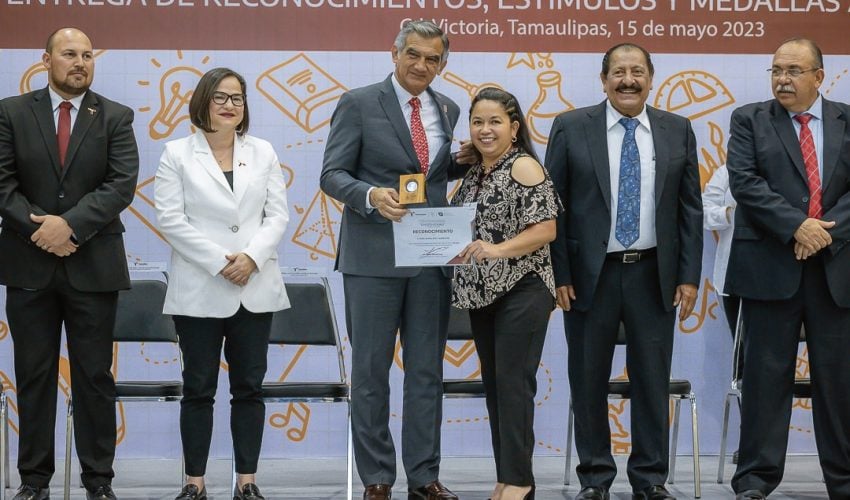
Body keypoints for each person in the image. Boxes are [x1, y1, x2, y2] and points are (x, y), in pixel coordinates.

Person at [320, 19, 471, 500]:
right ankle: (377, 478)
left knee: (427, 371)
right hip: (373, 259)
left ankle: (424, 477)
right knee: (370, 372)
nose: (422, 65)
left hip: (431, 258)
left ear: (442, 64)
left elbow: (431, 174)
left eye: (433, 59)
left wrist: (460, 161)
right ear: (395, 52)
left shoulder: (448, 106)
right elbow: (332, 174)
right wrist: (369, 195)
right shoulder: (358, 102)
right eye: (415, 55)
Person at [545, 43, 702, 500]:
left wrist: (688, 276)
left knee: (652, 379)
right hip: (588, 276)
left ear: (651, 78)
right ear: (603, 79)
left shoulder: (678, 129)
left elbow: (689, 210)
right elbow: (554, 208)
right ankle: (594, 479)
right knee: (588, 379)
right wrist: (560, 273)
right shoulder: (571, 127)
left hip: (654, 273)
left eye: (637, 71)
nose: (627, 80)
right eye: (618, 72)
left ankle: (650, 479)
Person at [0, 27, 139, 500]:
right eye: (69, 54)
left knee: (94, 378)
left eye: (86, 55)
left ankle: (99, 481)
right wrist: (43, 231)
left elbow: (120, 185)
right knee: (34, 376)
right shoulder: (11, 113)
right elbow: (3, 185)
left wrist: (70, 227)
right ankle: (34, 481)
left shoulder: (116, 116)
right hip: (28, 264)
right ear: (46, 60)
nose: (80, 62)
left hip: (93, 265)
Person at [154, 67, 289, 500]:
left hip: (255, 286)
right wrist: (220, 262)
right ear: (202, 103)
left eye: (238, 97)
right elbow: (171, 220)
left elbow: (278, 216)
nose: (231, 105)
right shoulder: (175, 153)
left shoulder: (264, 151)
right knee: (198, 389)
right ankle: (194, 483)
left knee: (249, 388)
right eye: (221, 97)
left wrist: (250, 257)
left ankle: (246, 482)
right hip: (199, 288)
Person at [726, 38, 850, 500]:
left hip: (835, 271)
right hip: (768, 270)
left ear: (820, 76)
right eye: (777, 69)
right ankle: (756, 481)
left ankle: (843, 480)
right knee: (764, 380)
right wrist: (797, 226)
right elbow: (746, 182)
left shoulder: (847, 119)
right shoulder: (749, 120)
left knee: (839, 382)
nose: (782, 78)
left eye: (794, 70)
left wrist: (823, 233)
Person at [451, 87, 561, 500]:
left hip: (523, 289)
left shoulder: (525, 167)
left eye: (495, 121)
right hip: (482, 295)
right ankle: (508, 477)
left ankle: (519, 482)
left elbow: (546, 229)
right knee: (498, 387)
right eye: (478, 121)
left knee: (514, 384)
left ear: (514, 128)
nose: (485, 129)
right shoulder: (475, 172)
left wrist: (496, 250)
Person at [702, 164, 740, 338]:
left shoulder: (783, 168)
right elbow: (704, 211)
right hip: (734, 275)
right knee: (742, 349)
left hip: (778, 277)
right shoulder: (727, 171)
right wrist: (728, 214)